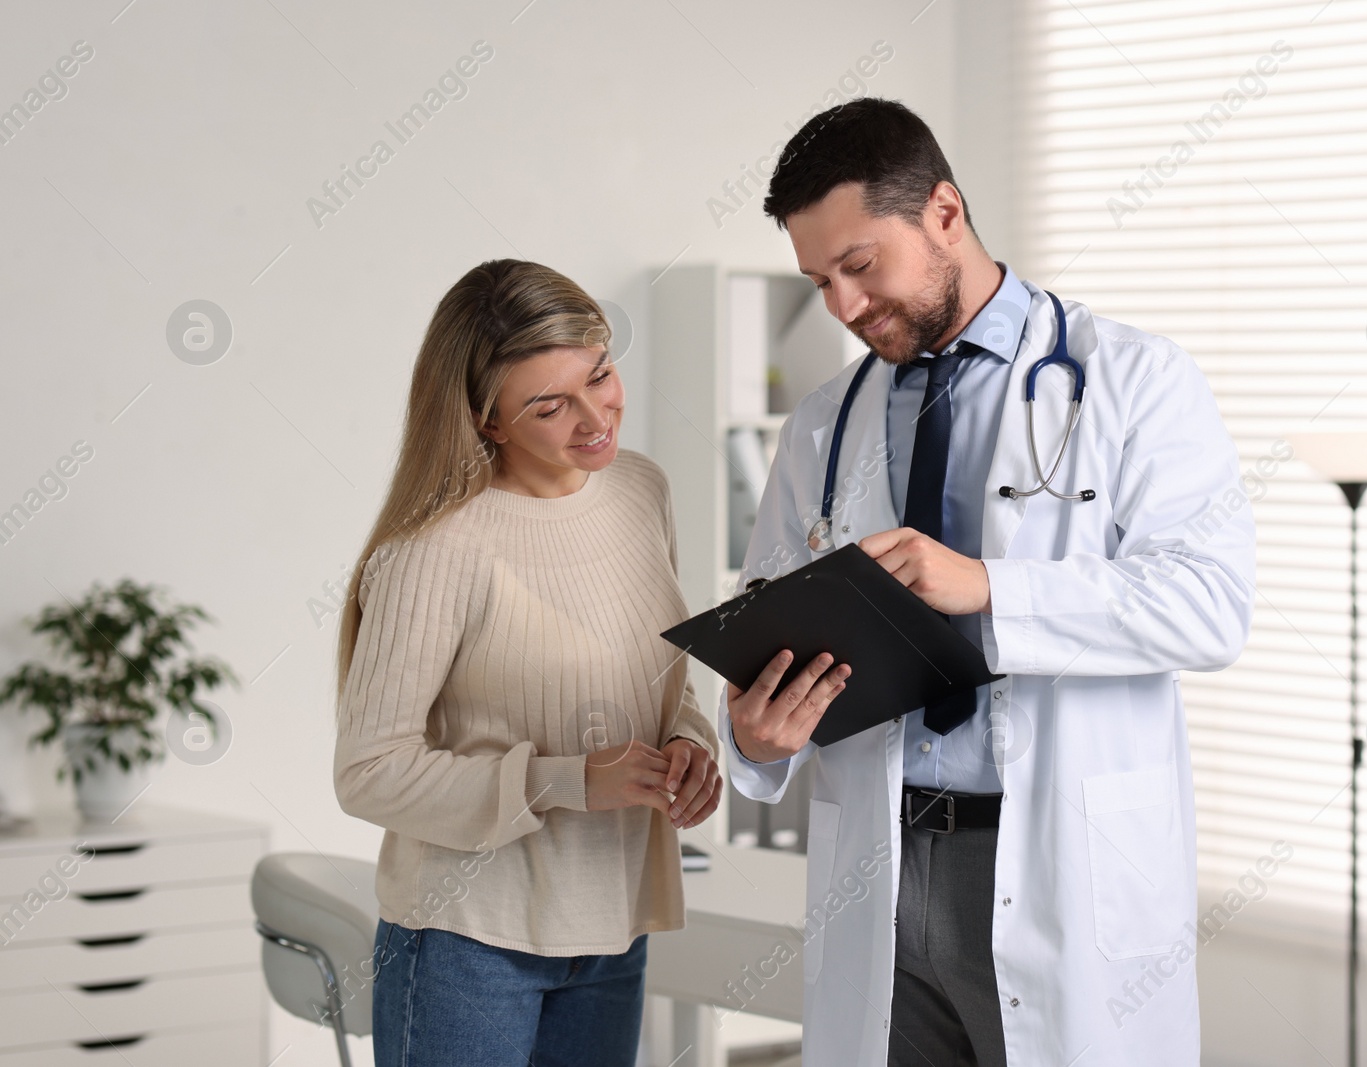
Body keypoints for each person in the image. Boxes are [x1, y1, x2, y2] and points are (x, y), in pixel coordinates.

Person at [719, 98, 1256, 1066]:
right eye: (818, 280)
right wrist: (755, 734)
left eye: (859, 266)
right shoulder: (822, 422)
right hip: (877, 869)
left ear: (944, 214)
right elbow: (769, 633)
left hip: (1056, 860)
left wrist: (992, 588)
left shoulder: (1132, 379)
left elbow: (1208, 605)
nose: (840, 307)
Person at [332, 259, 722, 1067]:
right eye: (549, 406)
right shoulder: (435, 552)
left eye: (600, 375)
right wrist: (569, 778)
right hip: (465, 941)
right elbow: (368, 771)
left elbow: (664, 672)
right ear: (487, 422)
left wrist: (690, 745)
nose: (595, 419)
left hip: (611, 926)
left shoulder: (640, 490)